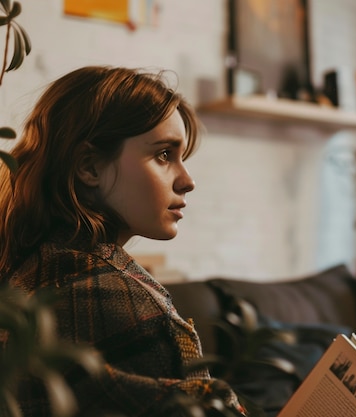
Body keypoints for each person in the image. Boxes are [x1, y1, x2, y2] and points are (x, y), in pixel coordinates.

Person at [0, 66, 262, 417]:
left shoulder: (27, 266)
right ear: (89, 167)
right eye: (164, 155)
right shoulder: (131, 306)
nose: (187, 181)